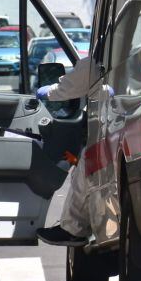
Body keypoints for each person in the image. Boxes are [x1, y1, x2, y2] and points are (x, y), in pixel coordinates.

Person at [35, 56, 94, 247]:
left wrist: (49, 92)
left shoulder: (103, 51)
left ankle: (73, 230)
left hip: (116, 124)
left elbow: (71, 85)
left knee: (85, 169)